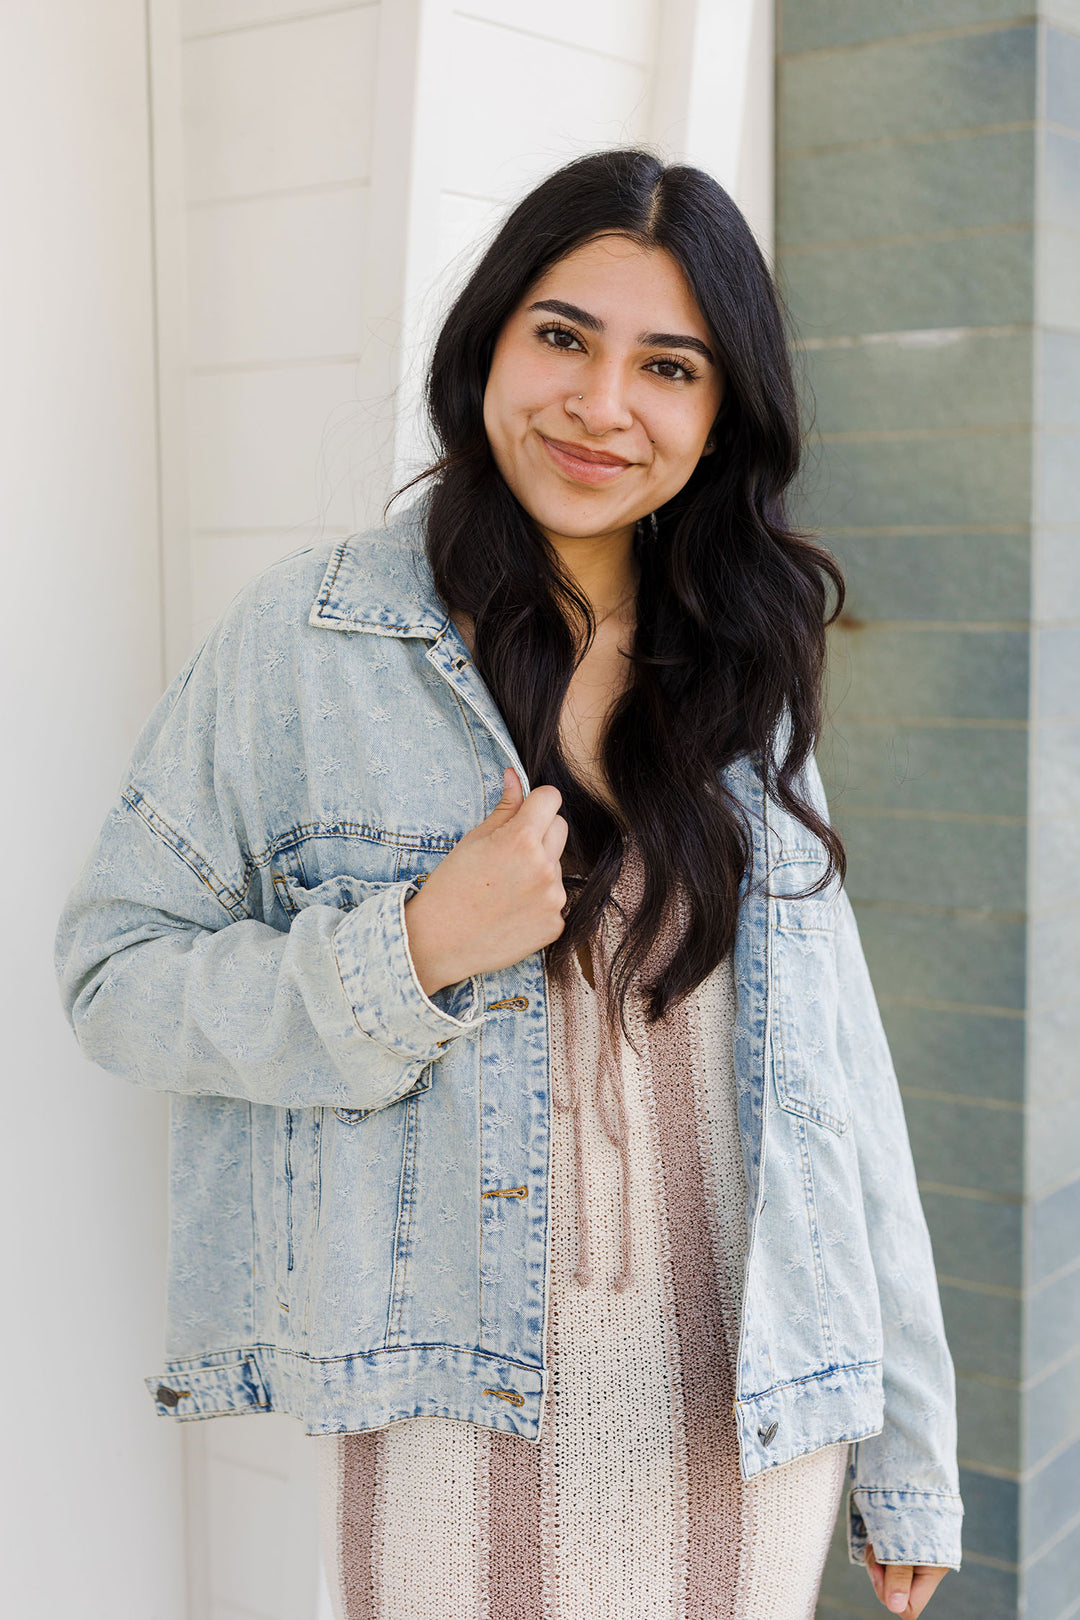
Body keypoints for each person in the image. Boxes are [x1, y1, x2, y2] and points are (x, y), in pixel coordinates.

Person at [54, 147, 963, 1619]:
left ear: (721, 413)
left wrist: (909, 1438)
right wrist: (403, 952)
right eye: (562, 336)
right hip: (448, 1432)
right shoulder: (312, 639)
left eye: (669, 366)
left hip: (751, 1427)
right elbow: (115, 977)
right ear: (488, 343)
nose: (603, 405)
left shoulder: (745, 668)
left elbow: (837, 1075)